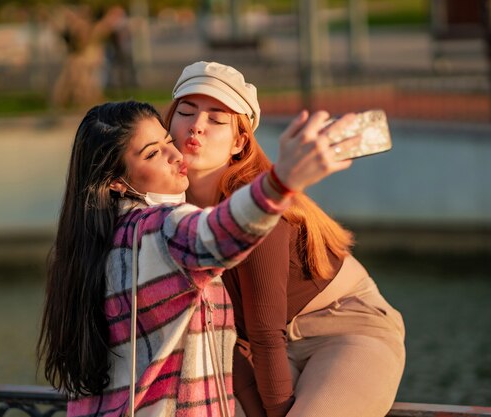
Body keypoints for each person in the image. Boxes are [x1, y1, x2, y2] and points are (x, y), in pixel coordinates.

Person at [37, 100, 359, 417]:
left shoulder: (86, 250)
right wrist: (282, 180)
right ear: (117, 182)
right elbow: (219, 233)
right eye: (152, 153)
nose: (175, 154)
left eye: (166, 141)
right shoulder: (159, 230)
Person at [165, 61, 406, 417]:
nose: (197, 126)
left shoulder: (255, 203)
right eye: (186, 111)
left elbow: (265, 334)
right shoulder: (165, 212)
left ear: (239, 141)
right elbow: (215, 332)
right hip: (254, 345)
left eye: (216, 120)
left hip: (346, 326)